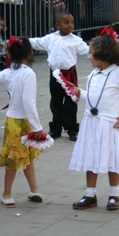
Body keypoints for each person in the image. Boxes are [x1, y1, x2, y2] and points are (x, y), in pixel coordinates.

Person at [69, 28, 119, 211]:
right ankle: (90, 194)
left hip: (109, 123)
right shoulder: (94, 74)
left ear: (102, 55)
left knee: (112, 158)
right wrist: (80, 93)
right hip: (91, 122)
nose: (88, 57)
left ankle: (114, 194)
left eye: (91, 53)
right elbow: (95, 98)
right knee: (90, 157)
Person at [0, 36, 47, 207]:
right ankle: (6, 193)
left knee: (25, 155)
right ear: (30, 54)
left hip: (12, 119)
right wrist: (37, 126)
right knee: (15, 157)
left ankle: (35, 189)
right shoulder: (28, 74)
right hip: (23, 120)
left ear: (9, 53)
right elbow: (29, 102)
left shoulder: (8, 73)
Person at [29, 12, 88, 141]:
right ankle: (56, 128)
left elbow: (87, 50)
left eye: (72, 22)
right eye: (66, 22)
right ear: (57, 25)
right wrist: (22, 41)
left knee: (71, 101)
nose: (70, 25)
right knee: (55, 101)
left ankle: (72, 128)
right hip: (55, 74)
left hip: (70, 74)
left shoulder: (76, 40)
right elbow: (37, 42)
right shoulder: (50, 38)